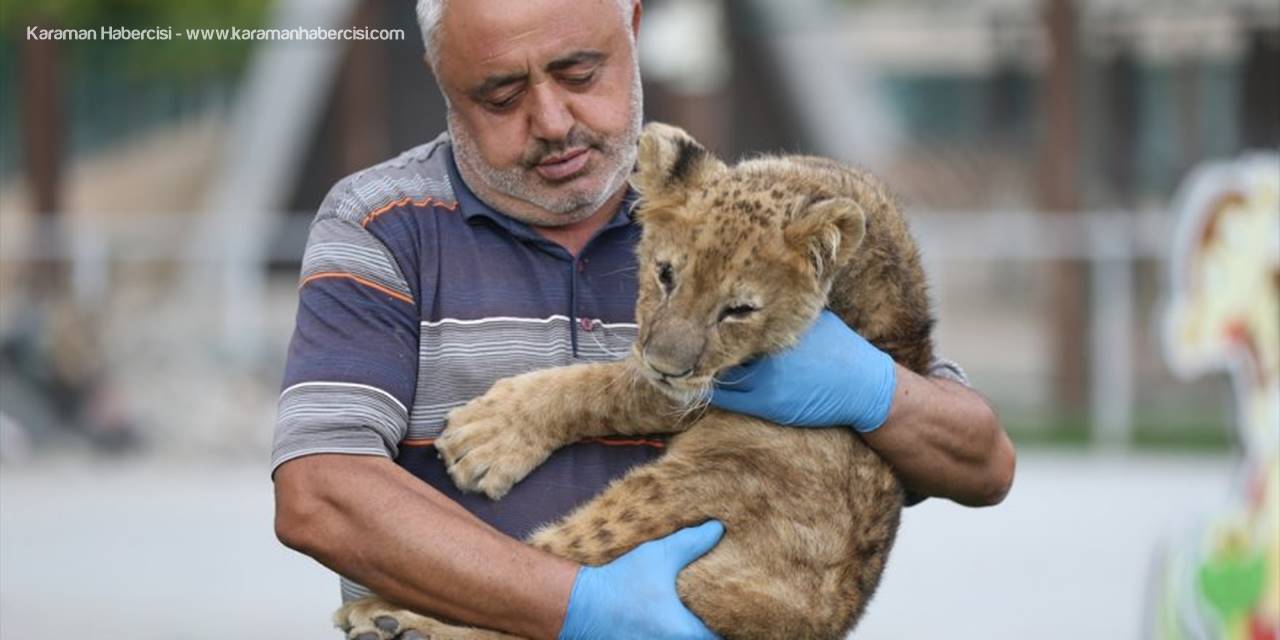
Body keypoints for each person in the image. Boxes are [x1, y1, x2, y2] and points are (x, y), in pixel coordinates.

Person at [271, 0, 1017, 638]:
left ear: (632, 24)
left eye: (579, 74)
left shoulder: (741, 218)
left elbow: (984, 464)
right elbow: (321, 497)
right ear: (442, 75)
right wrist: (577, 609)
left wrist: (876, 393)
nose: (552, 121)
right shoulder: (379, 224)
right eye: (501, 95)